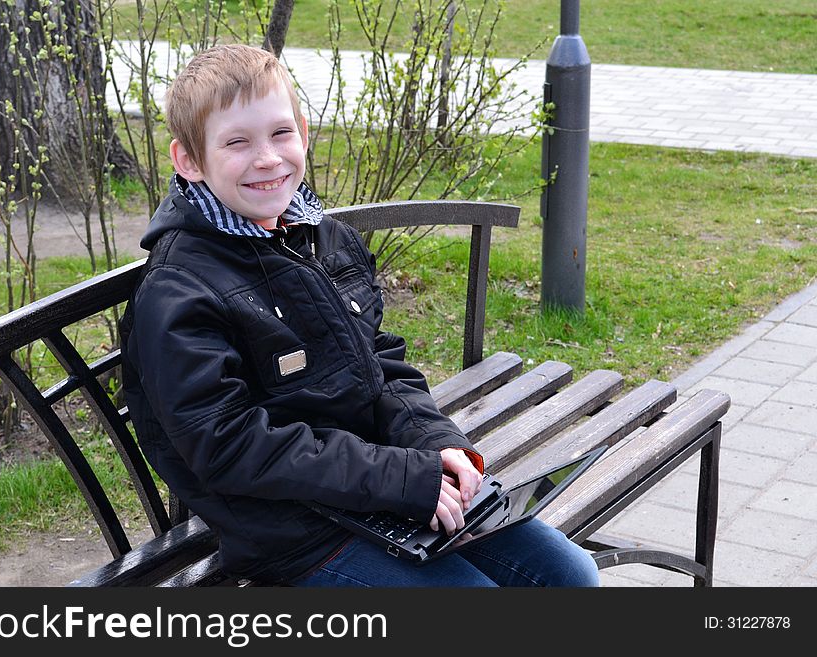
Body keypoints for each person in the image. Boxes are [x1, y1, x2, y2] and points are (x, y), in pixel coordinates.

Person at [119, 43, 599, 587]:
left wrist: (434, 443)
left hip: (379, 490)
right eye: (237, 142)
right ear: (189, 161)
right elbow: (229, 447)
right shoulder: (178, 291)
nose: (268, 158)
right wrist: (400, 478)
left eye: (281, 133)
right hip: (293, 532)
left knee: (568, 574)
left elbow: (380, 365)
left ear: (303, 130)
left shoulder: (322, 236)